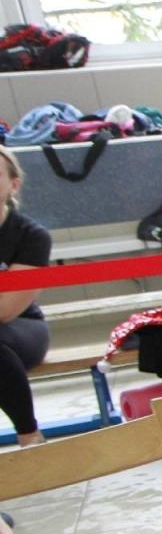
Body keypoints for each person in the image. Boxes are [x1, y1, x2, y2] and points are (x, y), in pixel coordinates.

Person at [0, 146, 51, 448]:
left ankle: (29, 435)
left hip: (23, 327)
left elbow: (6, 309)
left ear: (13, 185)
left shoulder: (32, 236)